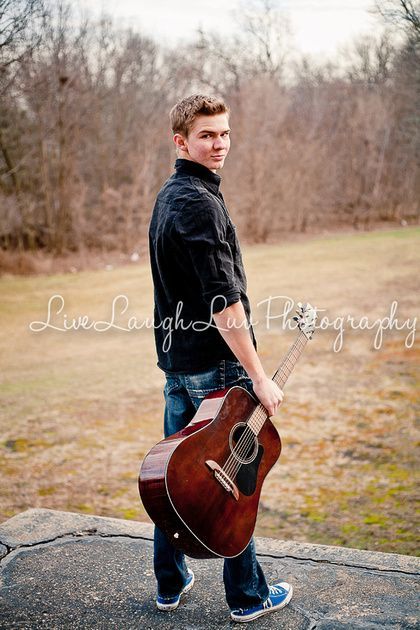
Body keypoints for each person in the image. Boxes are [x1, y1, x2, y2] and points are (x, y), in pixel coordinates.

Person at [148, 93, 293, 623]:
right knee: (235, 482)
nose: (220, 144)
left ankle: (169, 583)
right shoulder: (198, 205)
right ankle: (248, 598)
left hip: (178, 367)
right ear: (181, 141)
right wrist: (259, 378)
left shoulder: (172, 195)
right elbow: (223, 303)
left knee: (170, 478)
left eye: (225, 133)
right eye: (208, 135)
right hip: (214, 369)